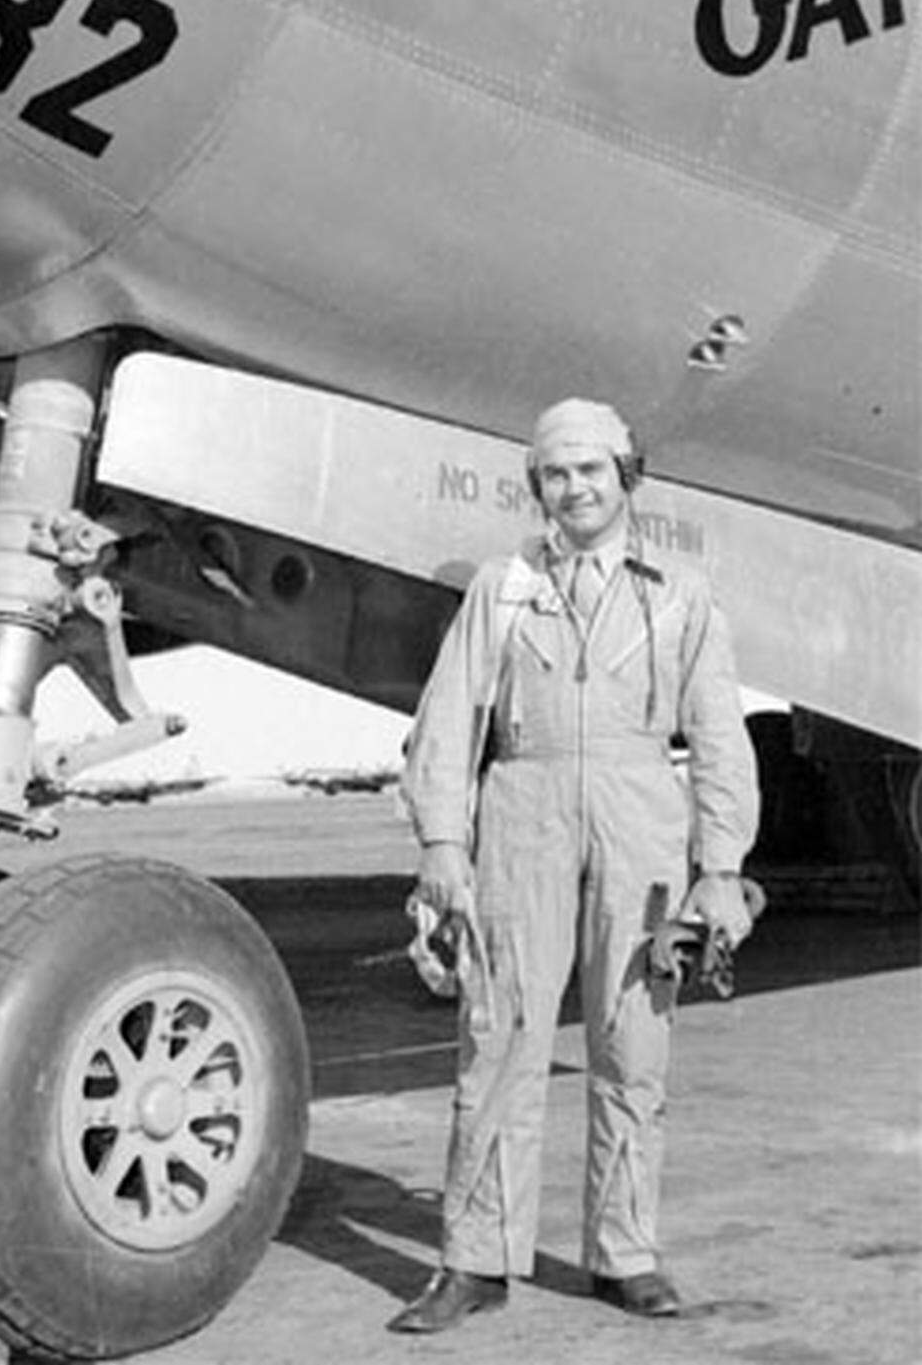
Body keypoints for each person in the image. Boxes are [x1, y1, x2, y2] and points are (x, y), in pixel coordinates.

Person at [389, 396, 759, 1334]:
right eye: (555, 473)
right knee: (498, 1037)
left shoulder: (680, 593)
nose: (574, 488)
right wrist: (441, 840)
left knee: (633, 1045)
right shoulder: (503, 586)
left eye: (591, 469)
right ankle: (475, 1258)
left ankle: (624, 1251)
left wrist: (720, 865)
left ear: (625, 476)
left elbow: (718, 734)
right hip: (523, 814)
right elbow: (449, 713)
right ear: (538, 487)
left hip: (642, 822)